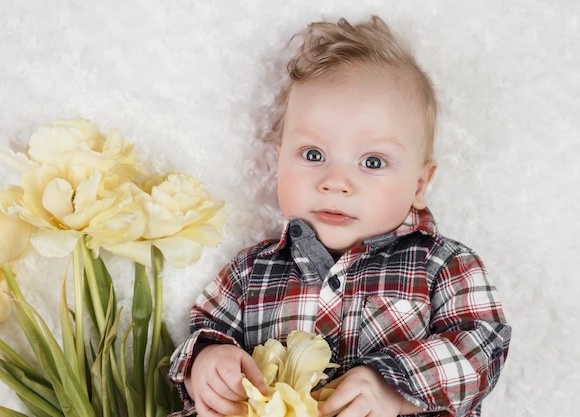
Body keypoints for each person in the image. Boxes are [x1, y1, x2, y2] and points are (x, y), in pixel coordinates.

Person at [168, 15, 511, 417]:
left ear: (419, 184)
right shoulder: (250, 271)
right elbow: (205, 332)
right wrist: (206, 366)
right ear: (280, 161)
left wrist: (392, 389)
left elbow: (482, 345)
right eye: (313, 155)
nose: (335, 182)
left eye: (372, 161)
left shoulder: (443, 265)